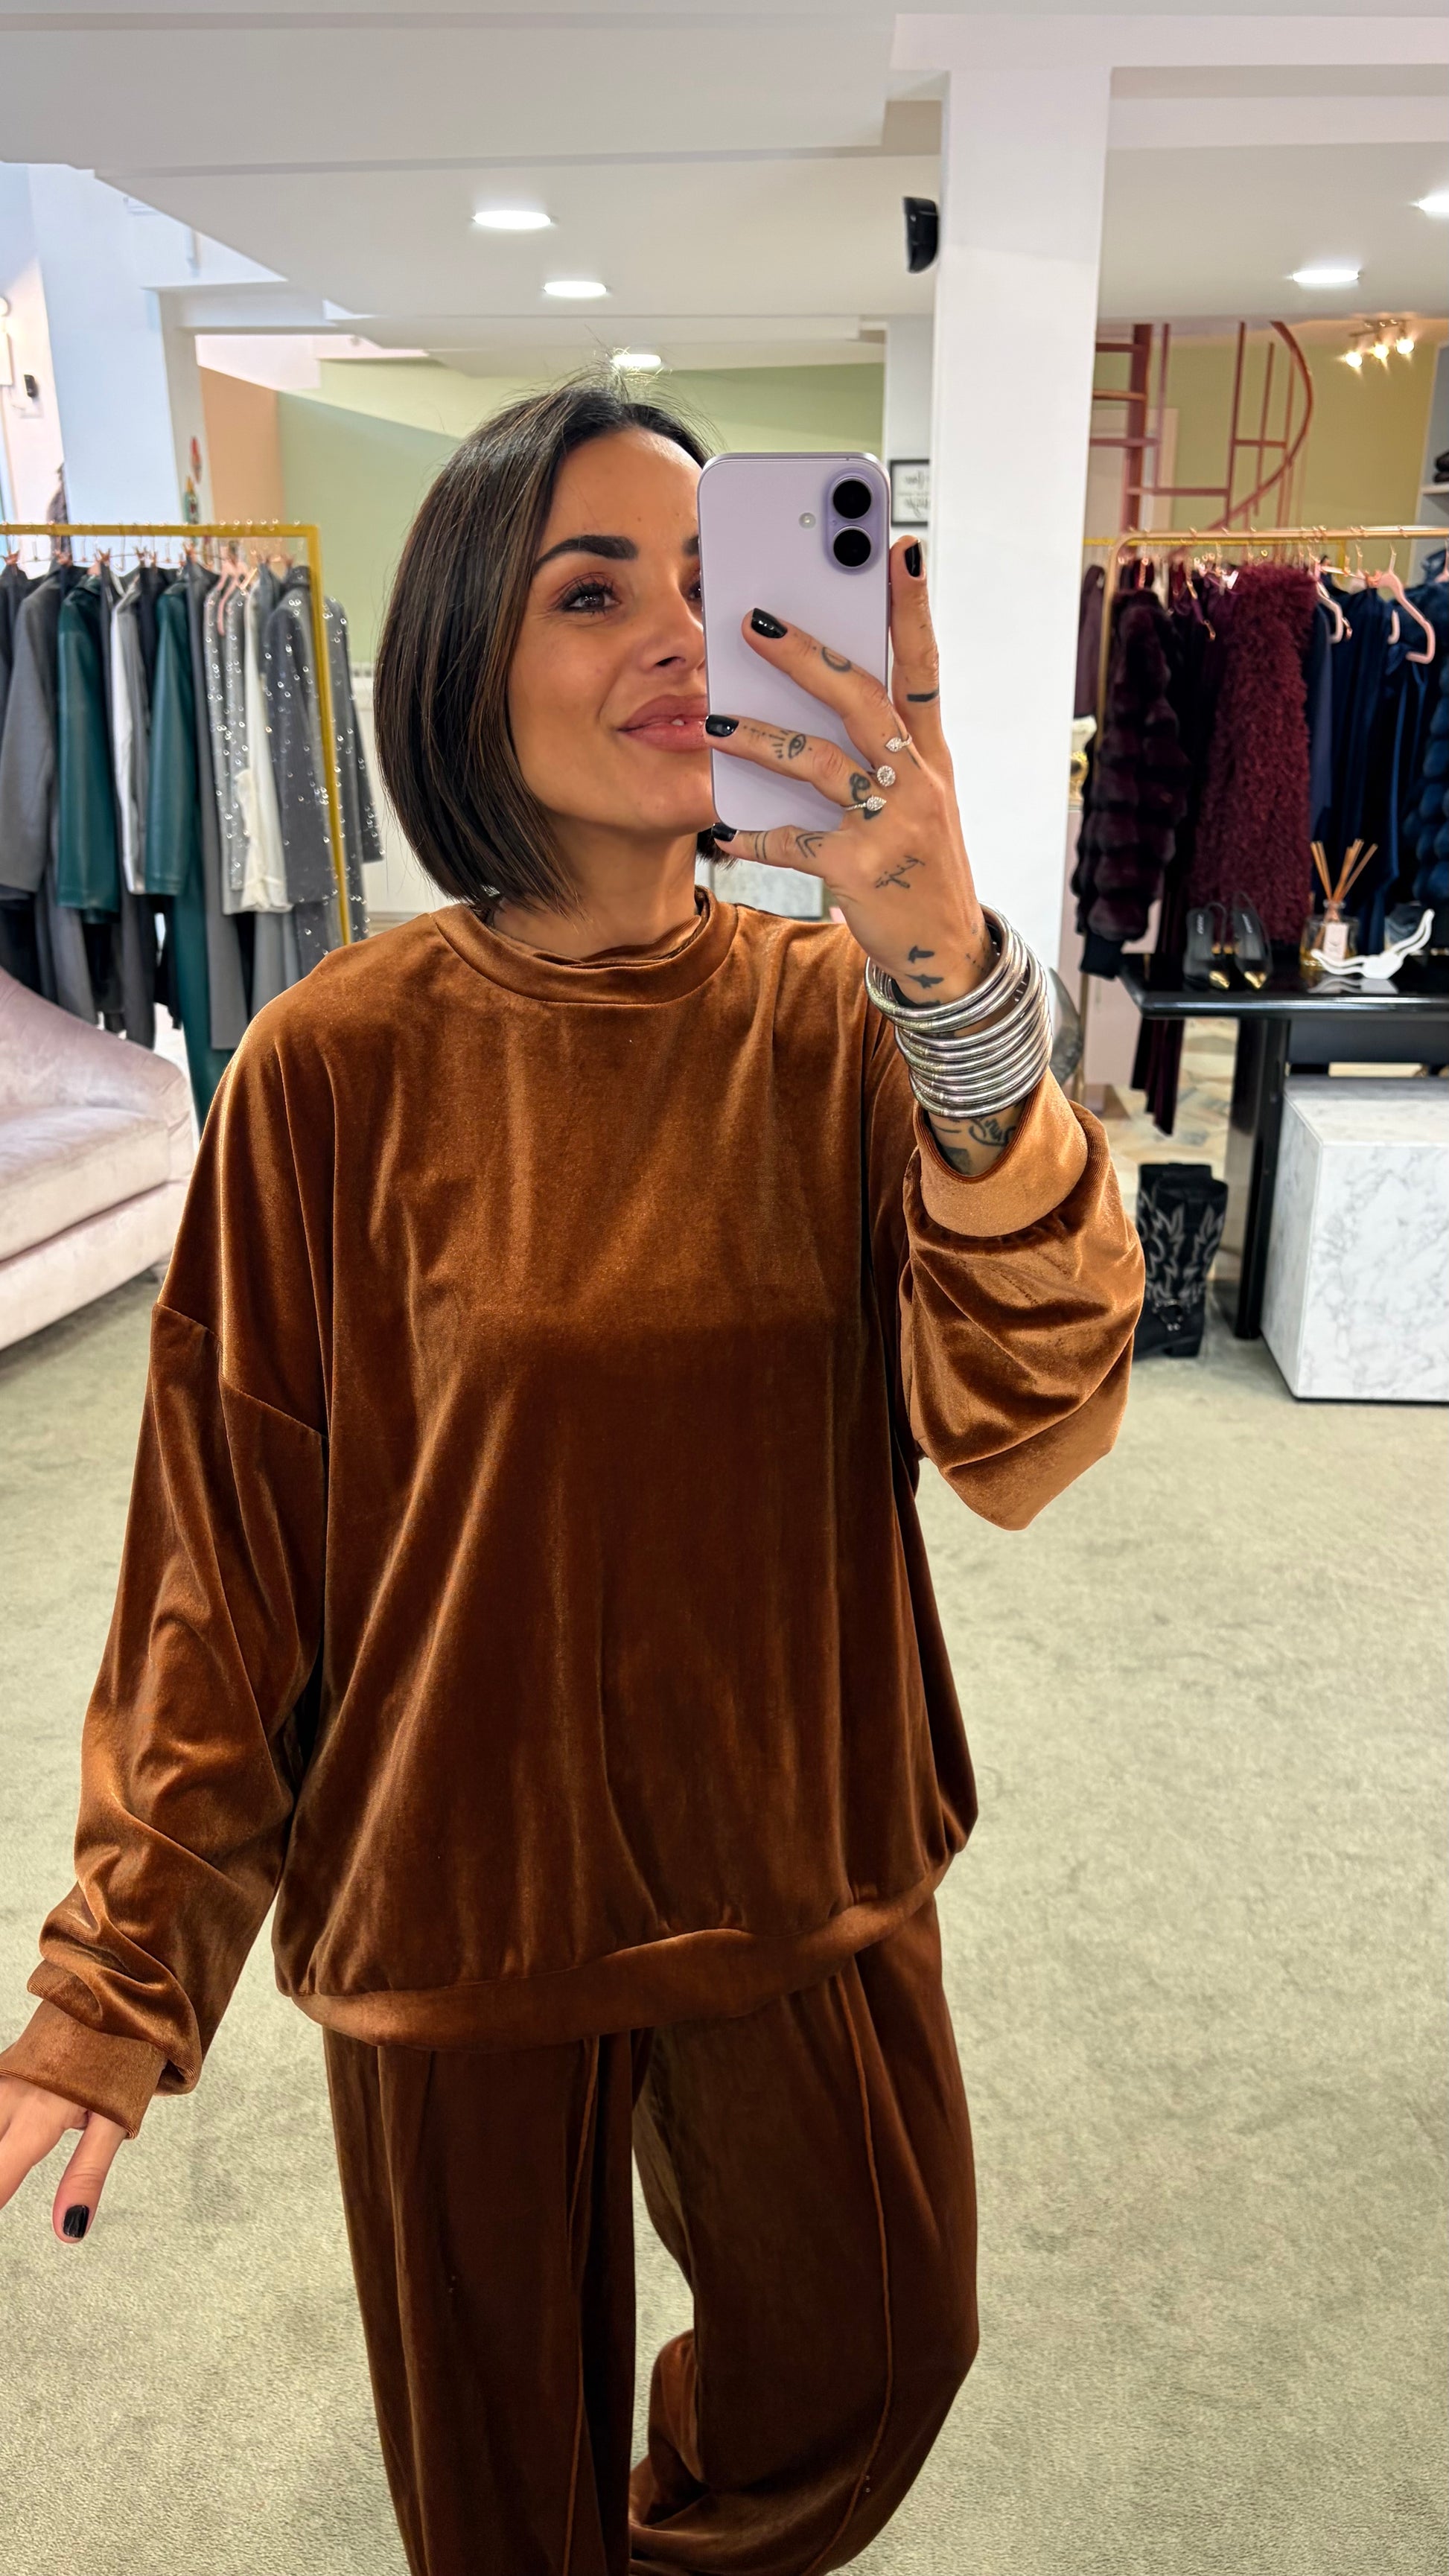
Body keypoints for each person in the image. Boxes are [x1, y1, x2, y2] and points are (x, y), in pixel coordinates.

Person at [0, 380, 1143, 2575]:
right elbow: (222, 1561)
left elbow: (1029, 1414)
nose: (679, 638)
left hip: (796, 1850)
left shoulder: (840, 1025)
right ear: (462, 659)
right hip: (457, 1891)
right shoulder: (333, 1061)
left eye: (719, 585)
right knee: (497, 2506)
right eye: (593, 590)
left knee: (877, 2364)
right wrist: (119, 1974)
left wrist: (945, 965)